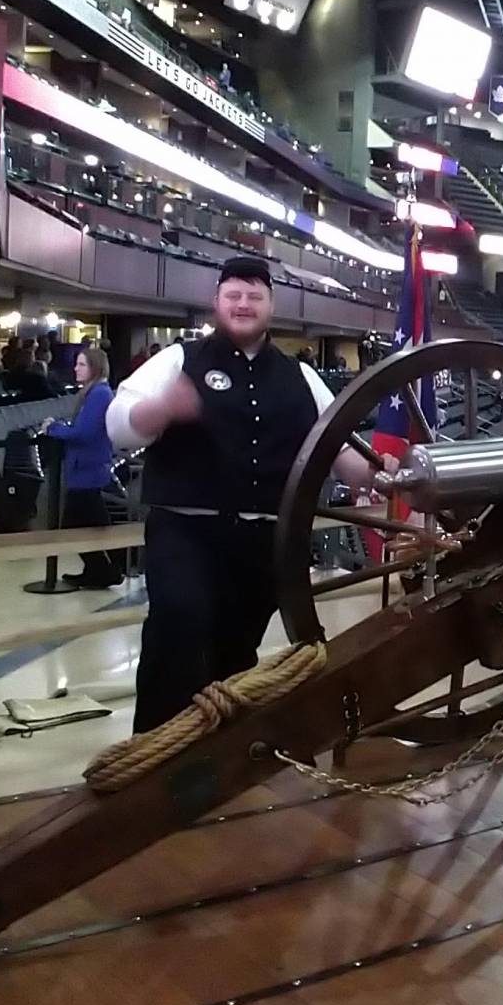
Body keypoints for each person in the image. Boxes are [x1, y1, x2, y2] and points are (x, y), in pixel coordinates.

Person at [109, 257, 385, 734]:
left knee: (237, 650)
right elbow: (118, 427)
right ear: (216, 302)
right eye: (233, 295)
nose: (243, 304)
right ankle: (151, 751)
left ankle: (217, 757)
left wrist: (385, 476)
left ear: (271, 307)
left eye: (254, 296)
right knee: (179, 623)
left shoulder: (302, 378)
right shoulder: (179, 360)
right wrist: (160, 410)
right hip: (187, 533)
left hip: (265, 542)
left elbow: (340, 451)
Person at [45, 342, 123, 588]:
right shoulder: (93, 393)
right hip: (86, 468)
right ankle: (101, 569)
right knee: (94, 523)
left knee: (75, 526)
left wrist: (53, 428)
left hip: (88, 469)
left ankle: (105, 569)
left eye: (81, 364)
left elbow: (84, 432)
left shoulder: (99, 394)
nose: (75, 369)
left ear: (95, 368)